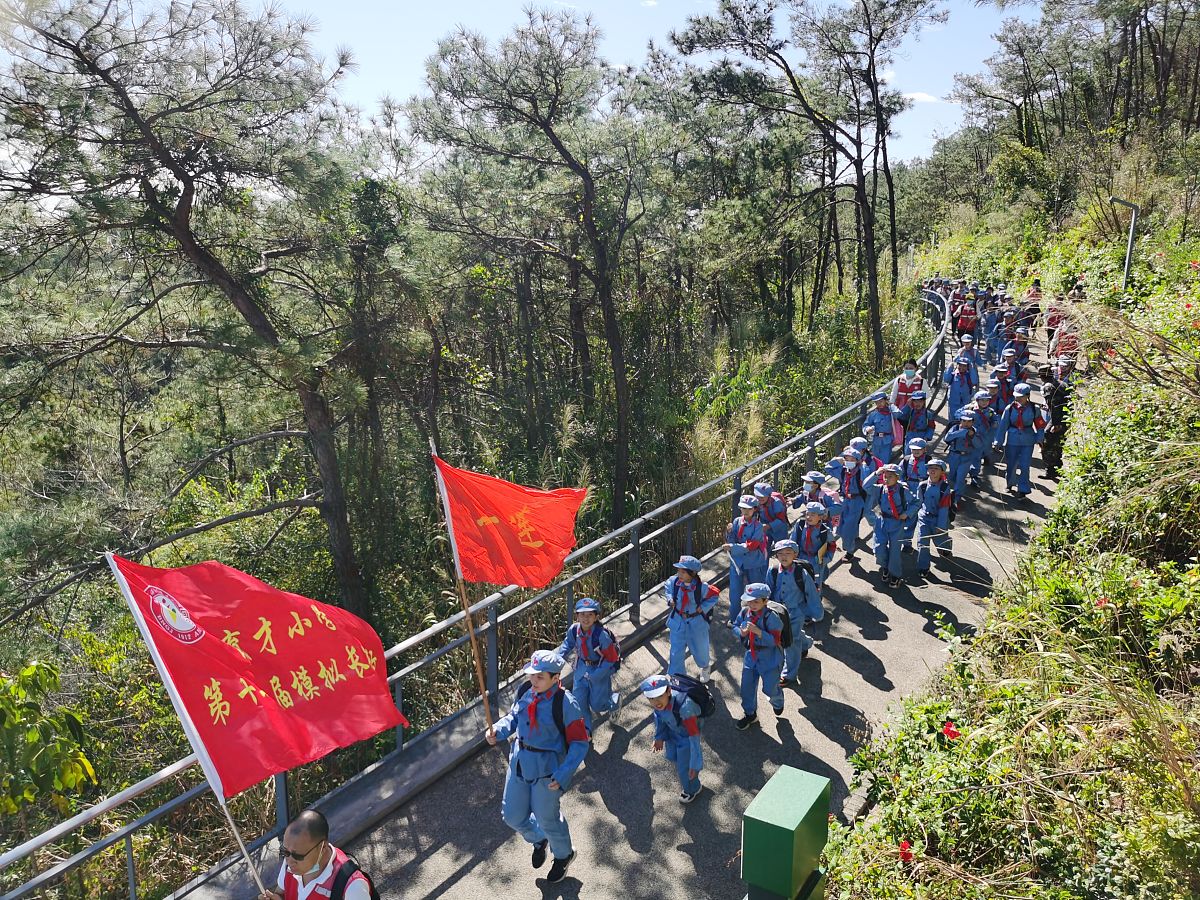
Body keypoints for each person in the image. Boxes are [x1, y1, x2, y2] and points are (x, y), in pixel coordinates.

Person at [487, 650, 589, 884]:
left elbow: (579, 743)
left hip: (547, 771)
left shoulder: (566, 703)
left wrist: (563, 774)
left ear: (556, 678)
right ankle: (539, 838)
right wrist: (498, 730)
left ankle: (563, 855)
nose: (534, 680)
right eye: (532, 674)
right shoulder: (525, 690)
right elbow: (514, 718)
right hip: (520, 762)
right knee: (512, 815)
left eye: (540, 677)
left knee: (547, 817)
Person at [259, 809, 374, 900]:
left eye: (298, 856)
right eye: (284, 851)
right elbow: (281, 893)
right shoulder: (291, 859)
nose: (289, 861)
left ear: (322, 847)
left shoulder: (353, 888)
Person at [556, 597, 619, 731]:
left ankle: (614, 701)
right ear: (577, 616)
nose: (586, 618)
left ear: (596, 617)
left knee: (598, 705)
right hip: (581, 669)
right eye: (582, 614)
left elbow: (611, 658)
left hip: (598, 670)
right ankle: (586, 732)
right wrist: (557, 659)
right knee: (579, 703)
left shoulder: (601, 635)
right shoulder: (574, 630)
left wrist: (597, 675)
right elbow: (567, 644)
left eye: (590, 614)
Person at [641, 674, 705, 803]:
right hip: (673, 733)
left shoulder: (685, 708)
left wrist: (695, 764)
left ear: (669, 691)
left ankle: (693, 789)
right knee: (673, 757)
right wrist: (659, 737)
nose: (656, 702)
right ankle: (687, 772)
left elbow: (694, 736)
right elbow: (660, 718)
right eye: (651, 698)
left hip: (686, 739)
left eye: (660, 696)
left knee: (685, 770)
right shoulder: (661, 705)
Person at [729, 583, 786, 730]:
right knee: (746, 688)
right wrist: (741, 632)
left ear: (765, 601)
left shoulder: (771, 617)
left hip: (770, 658)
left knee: (769, 689)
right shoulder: (745, 612)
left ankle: (777, 700)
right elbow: (735, 626)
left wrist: (759, 632)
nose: (752, 605)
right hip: (751, 656)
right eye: (749, 601)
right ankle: (750, 714)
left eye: (756, 601)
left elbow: (775, 641)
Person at [768, 540, 817, 685]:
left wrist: (816, 612)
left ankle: (789, 675)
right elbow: (768, 589)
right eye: (780, 553)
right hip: (779, 612)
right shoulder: (773, 570)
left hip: (796, 612)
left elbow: (811, 593)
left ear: (795, 554)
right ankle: (806, 643)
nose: (784, 556)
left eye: (788, 553)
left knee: (790, 642)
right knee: (793, 634)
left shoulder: (801, 573)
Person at [664, 555, 720, 682]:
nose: (679, 574)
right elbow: (667, 586)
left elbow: (715, 594)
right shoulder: (674, 582)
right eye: (679, 571)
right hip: (678, 620)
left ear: (693, 573)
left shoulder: (702, 587)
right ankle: (677, 677)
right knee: (676, 651)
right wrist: (669, 599)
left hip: (696, 622)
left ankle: (705, 667)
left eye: (683, 572)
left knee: (700, 649)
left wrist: (704, 607)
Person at [864, 463, 918, 587]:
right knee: (879, 548)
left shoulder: (903, 490)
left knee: (895, 550)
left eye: (890, 477)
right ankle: (885, 566)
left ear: (897, 477)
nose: (886, 479)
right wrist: (876, 473)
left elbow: (916, 502)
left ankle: (895, 574)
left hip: (897, 522)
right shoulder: (879, 489)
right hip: (881, 521)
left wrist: (907, 513)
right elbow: (865, 485)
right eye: (885, 476)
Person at [993, 382, 1045, 495]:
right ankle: (1010, 483)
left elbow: (1040, 425)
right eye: (1016, 396)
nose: (1018, 399)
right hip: (1012, 440)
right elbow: (1003, 426)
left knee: (1025, 466)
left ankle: (1023, 489)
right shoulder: (1010, 409)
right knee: (1011, 465)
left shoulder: (1034, 409)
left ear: (1028, 396)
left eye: (1021, 396)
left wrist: (1040, 438)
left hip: (1028, 440)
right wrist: (998, 441)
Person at [726, 495, 768, 621]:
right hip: (737, 562)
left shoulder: (758, 526)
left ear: (754, 509)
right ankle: (734, 618)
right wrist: (728, 533)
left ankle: (758, 618)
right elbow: (732, 538)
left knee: (756, 591)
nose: (746, 511)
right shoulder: (736, 522)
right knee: (735, 592)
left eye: (749, 509)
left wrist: (733, 547)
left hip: (753, 562)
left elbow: (752, 545)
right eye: (743, 508)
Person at [824, 448, 868, 561]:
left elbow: (867, 483)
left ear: (858, 460)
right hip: (844, 500)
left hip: (856, 501)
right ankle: (850, 541)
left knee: (848, 528)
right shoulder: (843, 471)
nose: (849, 462)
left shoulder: (862, 470)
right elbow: (827, 468)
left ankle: (849, 551)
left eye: (852, 459)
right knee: (839, 525)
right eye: (847, 459)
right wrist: (837, 460)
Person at [915, 458, 953, 577]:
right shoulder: (922, 485)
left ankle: (947, 546)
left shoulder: (945, 488)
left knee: (941, 541)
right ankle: (923, 567)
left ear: (942, 472)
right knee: (923, 543)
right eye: (930, 468)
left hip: (938, 519)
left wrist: (940, 526)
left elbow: (944, 508)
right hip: (924, 518)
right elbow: (917, 502)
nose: (933, 470)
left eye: (936, 468)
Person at [1038, 363, 1070, 480]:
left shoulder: (1048, 387)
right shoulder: (1062, 384)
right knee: (1058, 443)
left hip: (1058, 419)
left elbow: (1053, 406)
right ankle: (1057, 468)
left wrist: (1056, 424)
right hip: (1066, 417)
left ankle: (1050, 469)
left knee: (1048, 441)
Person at [944, 410, 982, 506]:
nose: (966, 423)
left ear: (973, 422)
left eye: (969, 421)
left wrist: (972, 436)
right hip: (954, 455)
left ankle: (956, 498)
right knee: (952, 475)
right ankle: (959, 485)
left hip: (966, 457)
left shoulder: (974, 431)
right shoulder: (955, 428)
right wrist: (960, 433)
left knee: (960, 477)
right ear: (960, 420)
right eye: (964, 421)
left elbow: (979, 445)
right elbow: (947, 438)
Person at [790, 501, 832, 586]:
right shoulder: (800, 525)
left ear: (820, 517)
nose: (808, 517)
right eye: (807, 514)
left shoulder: (825, 531)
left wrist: (825, 559)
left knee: (815, 581)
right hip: (800, 556)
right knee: (798, 578)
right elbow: (792, 540)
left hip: (816, 560)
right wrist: (792, 553)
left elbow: (832, 546)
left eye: (813, 515)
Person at [863, 392, 903, 462]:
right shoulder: (873, 414)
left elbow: (899, 414)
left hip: (887, 440)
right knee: (875, 460)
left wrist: (892, 406)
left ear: (885, 400)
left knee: (885, 460)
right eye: (877, 402)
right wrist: (867, 429)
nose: (879, 404)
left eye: (881, 401)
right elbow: (865, 425)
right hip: (876, 440)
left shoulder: (891, 412)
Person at [754, 480, 791, 548]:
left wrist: (769, 526)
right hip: (765, 528)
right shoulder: (755, 502)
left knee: (781, 547)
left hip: (779, 529)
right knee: (764, 547)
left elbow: (781, 520)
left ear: (768, 496)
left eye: (762, 497)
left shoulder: (777, 503)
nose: (759, 498)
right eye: (757, 496)